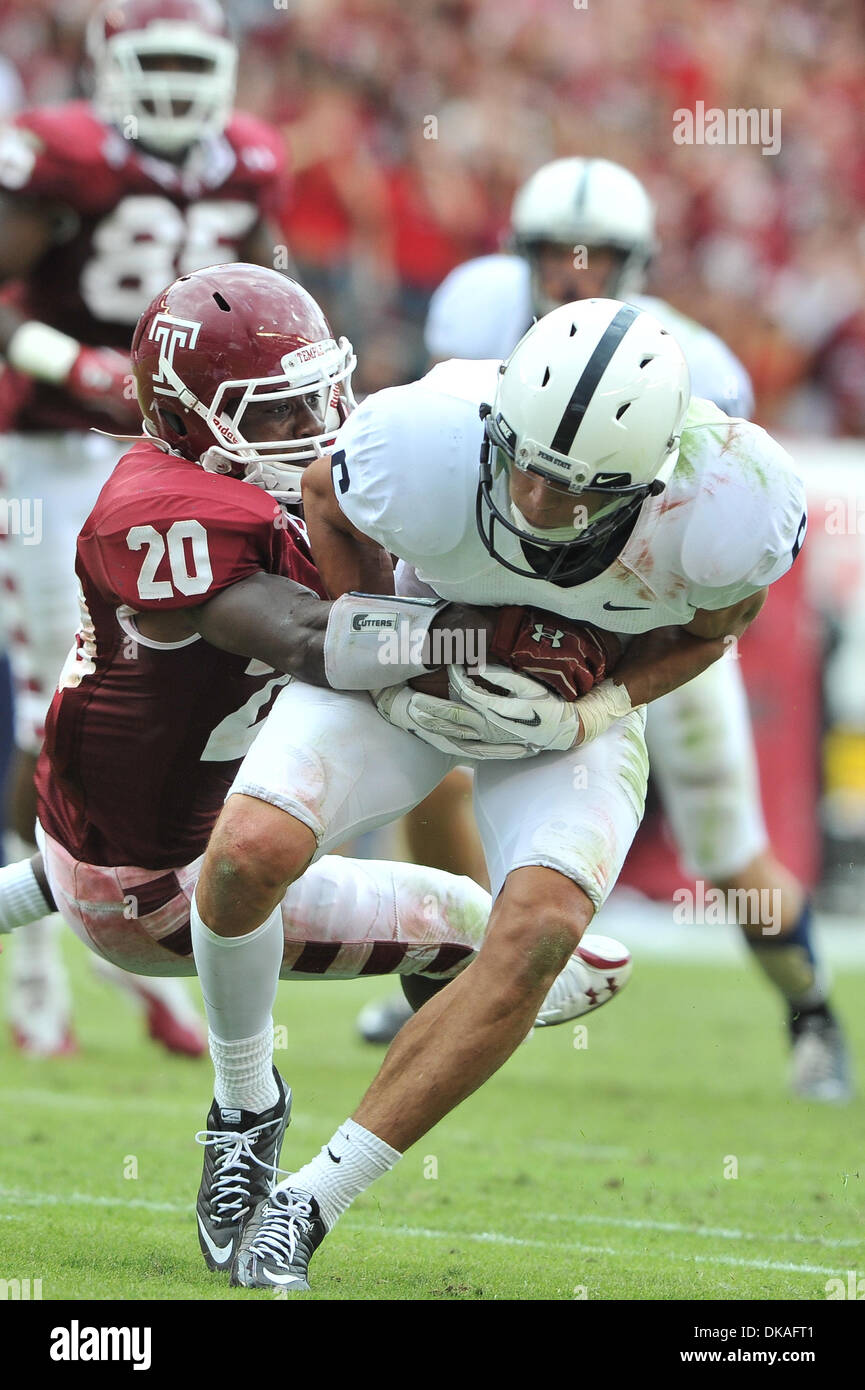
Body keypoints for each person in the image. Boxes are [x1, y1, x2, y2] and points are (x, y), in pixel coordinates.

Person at [0, 262, 632, 1272]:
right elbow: (313, 639)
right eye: (279, 402)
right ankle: (249, 1106)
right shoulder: (163, 506)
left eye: (320, 385)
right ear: (194, 417)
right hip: (157, 893)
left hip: (102, 828)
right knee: (478, 925)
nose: (319, 413)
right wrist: (486, 637)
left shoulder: (288, 485)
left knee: (259, 820)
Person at [188, 295, 807, 1289]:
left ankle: (306, 1204)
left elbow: (713, 628)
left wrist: (597, 711)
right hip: (420, 657)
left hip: (561, 723)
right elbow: (326, 495)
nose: (538, 504)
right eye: (525, 466)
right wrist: (391, 650)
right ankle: (242, 1107)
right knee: (242, 857)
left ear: (651, 482)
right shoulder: (423, 437)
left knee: (541, 930)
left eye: (582, 493)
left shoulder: (723, 496)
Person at [362, 156, 850, 1105]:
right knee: (437, 774)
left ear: (639, 261)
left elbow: (711, 546)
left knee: (725, 845)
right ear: (519, 253)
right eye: (551, 251)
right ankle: (460, 976)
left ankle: (810, 1009)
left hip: (638, 624)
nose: (573, 269)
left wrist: (608, 688)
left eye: (597, 254)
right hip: (510, 597)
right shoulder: (472, 316)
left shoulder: (699, 366)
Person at [0, 0, 290, 1055]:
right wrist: (64, 363)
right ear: (107, 61)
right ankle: (41, 975)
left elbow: (262, 297)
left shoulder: (252, 160)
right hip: (51, 450)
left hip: (173, 457)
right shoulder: (60, 152)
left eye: (186, 61)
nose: (169, 82)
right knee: (56, 702)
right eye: (150, 60)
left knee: (165, 696)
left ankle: (140, 942)